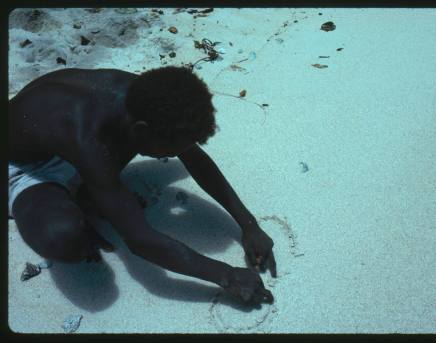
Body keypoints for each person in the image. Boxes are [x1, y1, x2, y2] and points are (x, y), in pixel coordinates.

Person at [8, 66, 277, 305]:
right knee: (64, 238)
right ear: (140, 129)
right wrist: (226, 275)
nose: (170, 157)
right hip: (24, 165)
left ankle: (94, 191)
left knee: (126, 166)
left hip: (69, 143)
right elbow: (139, 240)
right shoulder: (88, 137)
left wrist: (248, 225)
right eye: (170, 151)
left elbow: (194, 157)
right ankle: (80, 195)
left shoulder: (146, 98)